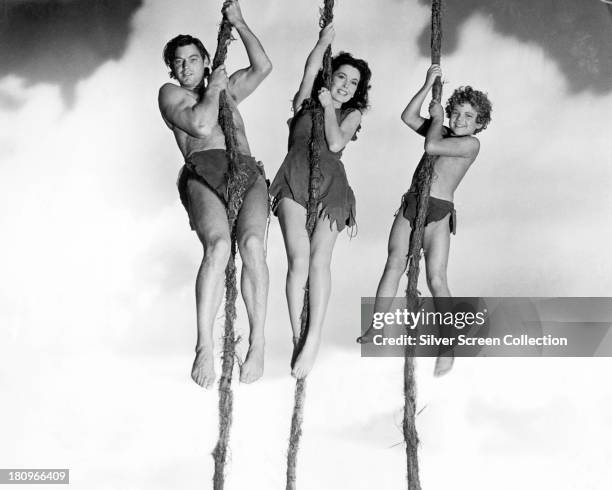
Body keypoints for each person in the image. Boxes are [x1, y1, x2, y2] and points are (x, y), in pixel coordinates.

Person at [158, 0, 272, 389]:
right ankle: (204, 345)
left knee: (254, 244)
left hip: (245, 168)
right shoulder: (172, 95)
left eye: (193, 59)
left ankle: (257, 342)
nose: (186, 67)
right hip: (204, 171)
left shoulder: (226, 90)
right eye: (179, 61)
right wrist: (217, 87)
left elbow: (263, 67)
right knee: (220, 246)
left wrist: (238, 22)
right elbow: (202, 122)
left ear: (207, 61)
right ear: (172, 69)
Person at [357, 64, 492, 377]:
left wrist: (437, 120)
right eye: (456, 113)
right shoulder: (441, 128)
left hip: (439, 212)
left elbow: (431, 145)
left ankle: (448, 348)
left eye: (468, 117)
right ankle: (377, 328)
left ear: (479, 124)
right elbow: (408, 117)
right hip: (412, 203)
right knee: (393, 262)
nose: (459, 120)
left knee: (436, 279)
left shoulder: (470, 144)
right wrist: (427, 83)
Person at [270, 23, 371, 379]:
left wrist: (331, 106)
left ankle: (314, 337)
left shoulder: (352, 114)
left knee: (319, 261)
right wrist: (323, 42)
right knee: (297, 259)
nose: (345, 86)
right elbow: (310, 70)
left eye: (353, 83)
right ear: (330, 78)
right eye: (341, 77)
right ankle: (298, 336)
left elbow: (336, 144)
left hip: (332, 186)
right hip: (293, 177)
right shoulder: (303, 103)